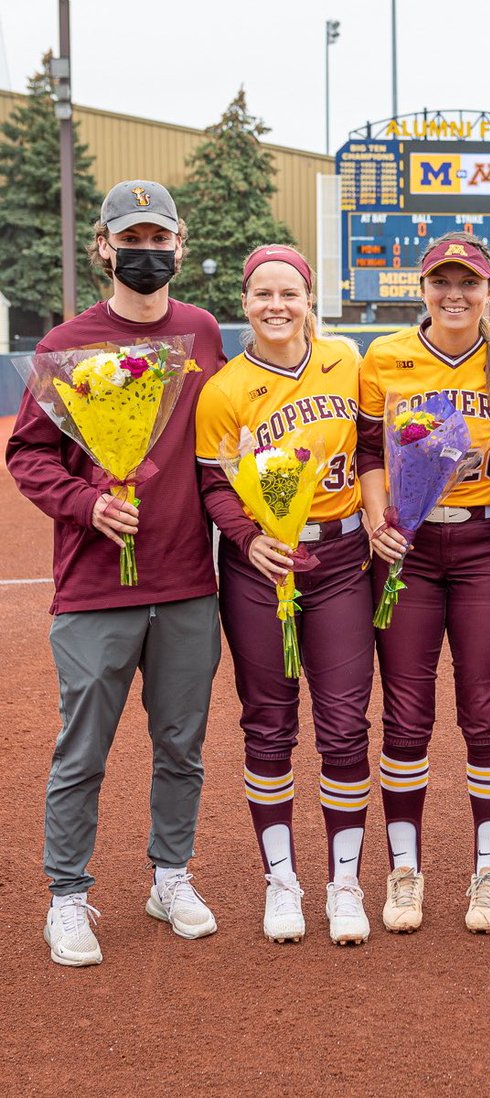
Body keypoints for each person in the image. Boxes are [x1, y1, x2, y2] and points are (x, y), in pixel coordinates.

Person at [7, 180, 224, 967]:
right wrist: (87, 504)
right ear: (102, 246)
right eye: (128, 240)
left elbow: (219, 446)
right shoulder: (67, 342)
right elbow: (28, 454)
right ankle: (68, 896)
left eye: (155, 238)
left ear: (179, 242)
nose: (144, 253)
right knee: (83, 749)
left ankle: (170, 877)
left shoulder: (201, 333)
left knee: (182, 744)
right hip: (96, 586)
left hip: (188, 582)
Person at [358, 232, 490, 933]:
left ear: (489, 289)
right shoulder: (385, 355)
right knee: (407, 715)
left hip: (483, 546)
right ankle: (404, 872)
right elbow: (366, 449)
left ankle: (488, 872)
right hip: (406, 545)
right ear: (423, 288)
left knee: (485, 711)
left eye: (468, 281)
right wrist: (380, 519)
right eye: (441, 281)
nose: (455, 293)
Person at [195, 244, 375, 947]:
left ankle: (345, 882)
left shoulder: (347, 362)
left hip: (338, 557)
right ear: (244, 303)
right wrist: (247, 537)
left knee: (343, 725)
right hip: (261, 567)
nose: (277, 306)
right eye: (263, 294)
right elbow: (213, 482)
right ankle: (281, 881)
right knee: (268, 723)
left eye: (289, 294)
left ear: (310, 300)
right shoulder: (224, 388)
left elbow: (370, 447)